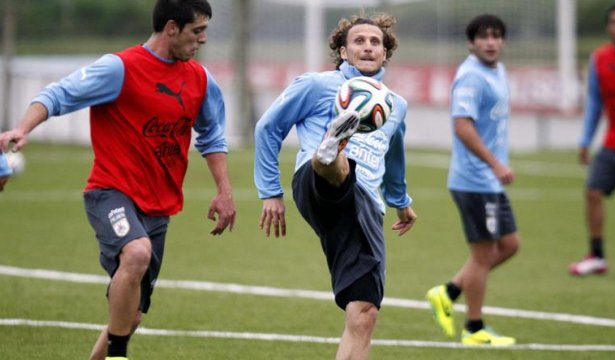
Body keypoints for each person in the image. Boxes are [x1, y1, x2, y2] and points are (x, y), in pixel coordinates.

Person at [0, 0, 236, 359]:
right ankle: (118, 356)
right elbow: (58, 95)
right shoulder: (120, 68)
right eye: (197, 31)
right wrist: (22, 127)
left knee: (131, 315)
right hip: (110, 192)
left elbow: (212, 136)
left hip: (159, 206)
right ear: (171, 27)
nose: (203, 39)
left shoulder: (200, 80)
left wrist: (224, 190)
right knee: (136, 253)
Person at [254, 13, 417, 360]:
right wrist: (270, 192)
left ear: (385, 54)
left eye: (376, 42)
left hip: (365, 209)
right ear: (343, 52)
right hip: (315, 183)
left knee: (365, 311)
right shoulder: (316, 85)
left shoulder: (394, 105)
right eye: (359, 41)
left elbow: (396, 156)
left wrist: (401, 201)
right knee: (337, 166)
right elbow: (268, 128)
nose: (369, 47)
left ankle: (333, 149)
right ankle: (329, 150)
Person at [425, 14, 518, 346]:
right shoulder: (471, 77)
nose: (490, 42)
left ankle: (447, 292)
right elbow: (462, 126)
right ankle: (474, 328)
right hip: (475, 180)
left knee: (509, 245)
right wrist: (495, 164)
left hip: (488, 181)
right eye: (483, 36)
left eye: (496, 36)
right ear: (471, 42)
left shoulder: (497, 70)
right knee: (483, 255)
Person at [570, 4, 615, 276]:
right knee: (593, 192)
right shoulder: (599, 59)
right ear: (608, 27)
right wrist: (585, 139)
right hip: (613, 143)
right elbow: (595, 103)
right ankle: (597, 256)